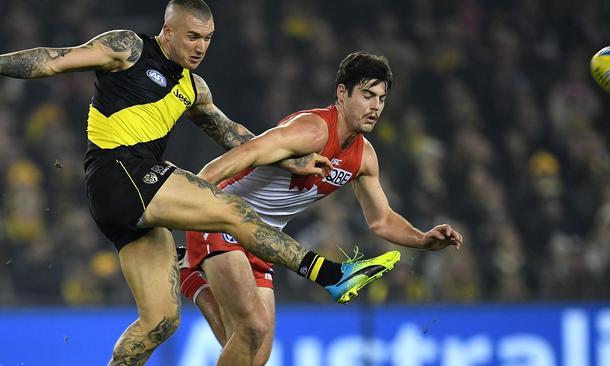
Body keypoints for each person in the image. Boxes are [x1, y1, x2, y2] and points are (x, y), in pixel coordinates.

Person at [0, 2, 402, 364]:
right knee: (234, 211)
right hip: (119, 173)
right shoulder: (129, 47)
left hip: (132, 198)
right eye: (192, 36)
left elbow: (234, 135)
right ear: (168, 31)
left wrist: (294, 158)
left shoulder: (194, 88)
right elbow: (53, 60)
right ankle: (329, 274)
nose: (200, 47)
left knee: (160, 321)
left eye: (207, 39)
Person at [179, 51, 464, 365]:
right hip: (223, 220)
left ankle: (188, 274)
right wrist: (189, 194)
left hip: (268, 243)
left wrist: (423, 239)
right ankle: (189, 267)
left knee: (256, 354)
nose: (375, 107)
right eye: (367, 95)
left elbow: (381, 219)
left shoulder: (364, 157)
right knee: (251, 329)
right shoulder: (312, 130)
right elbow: (245, 152)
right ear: (343, 93)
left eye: (381, 99)